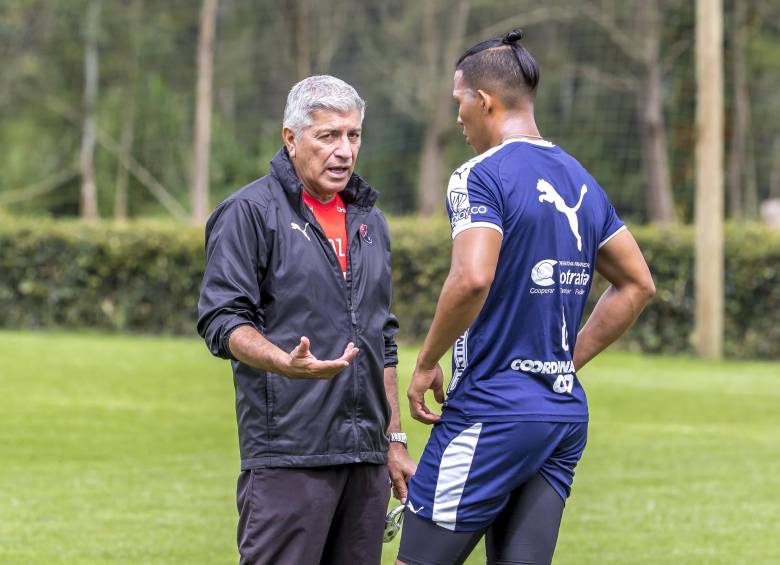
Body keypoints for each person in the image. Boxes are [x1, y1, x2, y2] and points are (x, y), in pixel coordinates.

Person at [396, 30, 656, 565]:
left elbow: (471, 278)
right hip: (560, 416)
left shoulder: (479, 176)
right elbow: (638, 284)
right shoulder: (580, 179)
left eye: (459, 102)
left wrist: (425, 362)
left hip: (491, 413)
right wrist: (563, 363)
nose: (459, 117)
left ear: (484, 101)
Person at [197, 75, 415, 565]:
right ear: (291, 138)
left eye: (353, 135)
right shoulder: (249, 212)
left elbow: (382, 336)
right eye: (328, 136)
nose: (344, 151)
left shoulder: (370, 221)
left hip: (366, 460)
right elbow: (221, 318)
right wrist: (281, 361)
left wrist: (394, 441)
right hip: (290, 454)